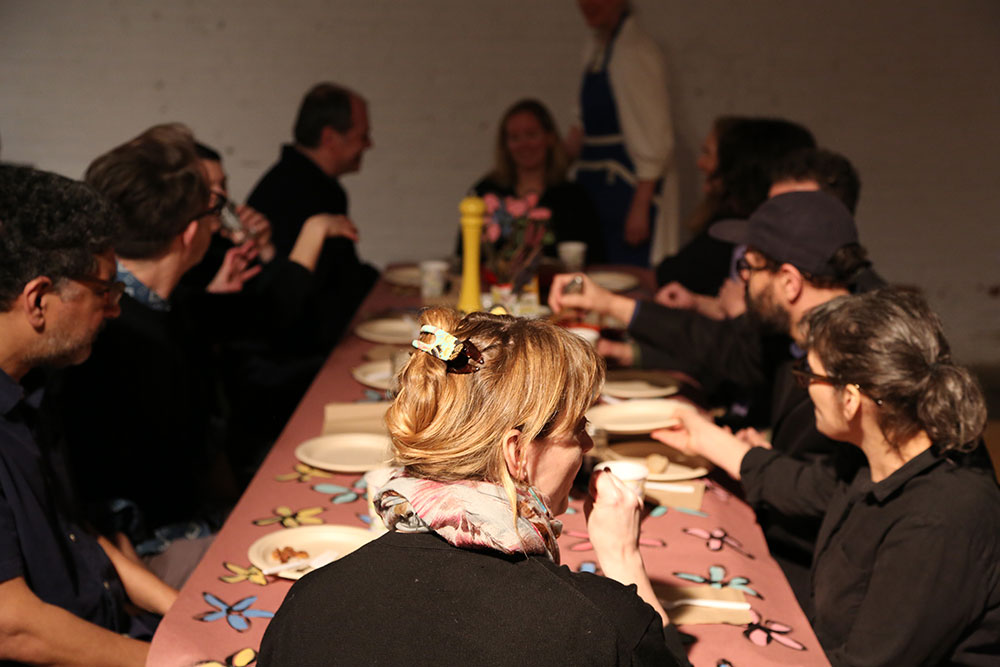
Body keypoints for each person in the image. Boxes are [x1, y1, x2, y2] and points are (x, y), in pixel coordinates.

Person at [259, 309, 689, 666]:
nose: (587, 446)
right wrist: (623, 555)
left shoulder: (309, 603)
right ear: (516, 453)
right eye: (577, 429)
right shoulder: (603, 627)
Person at [549, 191, 882, 602]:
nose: (742, 277)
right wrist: (610, 304)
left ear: (791, 282)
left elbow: (833, 493)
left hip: (828, 578)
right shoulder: (796, 331)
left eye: (750, 266)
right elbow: (716, 344)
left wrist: (716, 443)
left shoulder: (861, 361)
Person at [653, 287, 1000, 665]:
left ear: (850, 399)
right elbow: (800, 485)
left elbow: (867, 662)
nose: (805, 387)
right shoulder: (883, 453)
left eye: (810, 376)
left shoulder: (938, 520)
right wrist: (702, 436)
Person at [0, 166, 177, 665]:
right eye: (104, 291)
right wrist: (178, 662)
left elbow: (76, 533)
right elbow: (13, 628)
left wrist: (184, 613)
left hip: (122, 629)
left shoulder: (33, 383)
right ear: (38, 300)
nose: (115, 309)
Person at [44, 124, 236, 586]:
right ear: (190, 233)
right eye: (215, 208)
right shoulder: (105, 331)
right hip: (148, 555)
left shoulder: (158, 309)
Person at [247, 82, 378, 349]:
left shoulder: (315, 183)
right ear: (329, 138)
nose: (369, 145)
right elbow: (300, 299)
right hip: (293, 356)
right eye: (362, 136)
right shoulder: (294, 190)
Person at [569, 0, 678, 267]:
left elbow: (655, 136)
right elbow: (580, 128)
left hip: (627, 190)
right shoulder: (596, 49)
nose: (587, 4)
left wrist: (640, 205)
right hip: (596, 189)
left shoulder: (635, 51)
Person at [654, 117, 815, 295]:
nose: (745, 273)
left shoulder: (762, 238)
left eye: (708, 154)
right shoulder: (728, 224)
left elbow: (669, 278)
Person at [470, 99, 604, 264]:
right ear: (505, 145)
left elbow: (596, 260)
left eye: (531, 135)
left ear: (550, 138)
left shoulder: (574, 197)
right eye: (514, 138)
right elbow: (464, 258)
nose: (524, 145)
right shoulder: (485, 191)